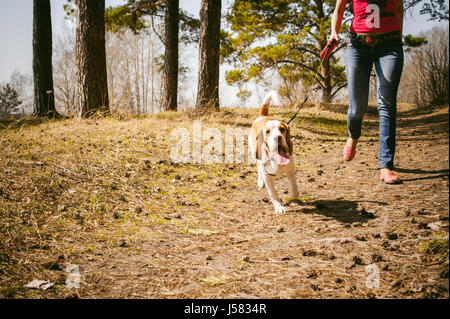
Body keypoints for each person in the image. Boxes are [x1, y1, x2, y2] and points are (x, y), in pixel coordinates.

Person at [330, 0, 404, 184]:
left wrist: (398, 37)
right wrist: (334, 32)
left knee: (386, 103)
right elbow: (338, 10)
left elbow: (399, 8)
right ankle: (353, 136)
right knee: (357, 108)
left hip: (390, 45)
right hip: (358, 46)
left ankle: (385, 166)